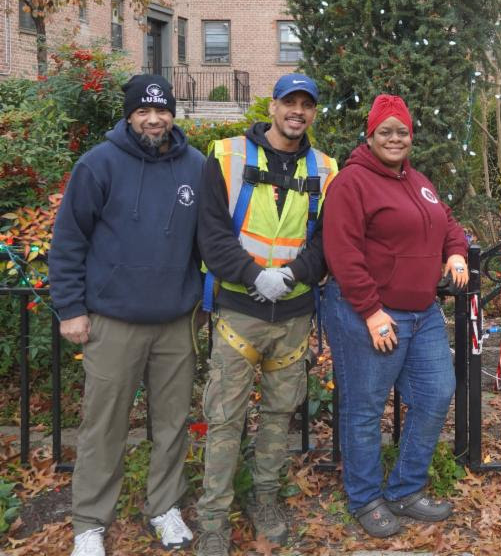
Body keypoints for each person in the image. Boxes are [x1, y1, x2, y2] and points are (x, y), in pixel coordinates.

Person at [49, 75, 205, 556]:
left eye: (162, 111)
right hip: (113, 320)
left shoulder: (196, 167)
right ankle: (90, 522)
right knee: (104, 425)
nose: (154, 119)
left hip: (176, 321)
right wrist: (71, 309)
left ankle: (164, 506)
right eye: (143, 111)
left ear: (173, 114)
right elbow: (69, 241)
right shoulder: (98, 165)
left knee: (173, 422)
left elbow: (210, 240)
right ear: (129, 114)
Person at [192, 74, 338, 556]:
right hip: (240, 310)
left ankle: (266, 500)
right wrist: (255, 275)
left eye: (306, 104)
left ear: (313, 113)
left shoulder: (326, 168)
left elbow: (325, 242)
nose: (298, 111)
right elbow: (210, 233)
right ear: (273, 106)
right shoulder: (228, 155)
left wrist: (292, 275)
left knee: (278, 416)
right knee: (225, 417)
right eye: (290, 102)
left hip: (294, 314)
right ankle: (213, 518)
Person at [322, 94, 470, 538]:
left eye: (402, 131)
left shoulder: (418, 180)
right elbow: (342, 254)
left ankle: (405, 488)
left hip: (422, 313)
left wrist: (457, 254)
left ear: (411, 137)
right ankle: (365, 498)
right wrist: (370, 310)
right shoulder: (352, 183)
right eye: (385, 131)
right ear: (369, 135)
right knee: (365, 409)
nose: (394, 138)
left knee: (437, 392)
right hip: (369, 313)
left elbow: (446, 222)